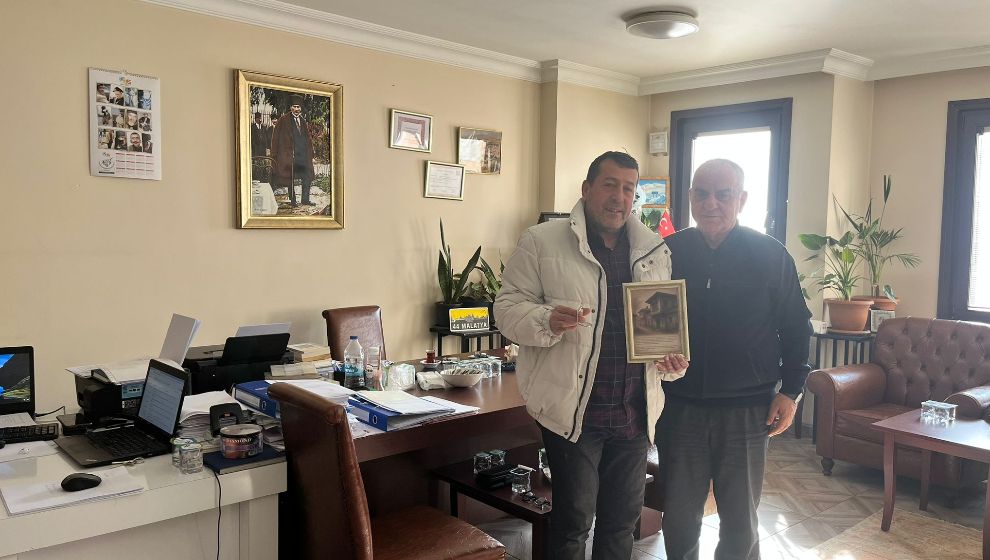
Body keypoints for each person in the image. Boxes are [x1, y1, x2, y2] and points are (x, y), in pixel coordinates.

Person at [495, 151, 688, 560]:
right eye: (609, 185)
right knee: (573, 524)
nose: (619, 197)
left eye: (628, 188)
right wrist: (547, 319)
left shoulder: (654, 249)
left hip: (635, 415)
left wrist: (669, 363)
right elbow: (507, 311)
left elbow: (660, 334)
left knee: (621, 523)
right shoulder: (541, 241)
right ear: (586, 189)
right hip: (574, 415)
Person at [659, 159, 812, 560]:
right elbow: (646, 321)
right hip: (679, 407)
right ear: (690, 197)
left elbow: (797, 327)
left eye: (723, 194)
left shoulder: (770, 254)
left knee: (741, 519)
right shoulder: (668, 252)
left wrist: (791, 391)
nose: (711, 203)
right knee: (678, 516)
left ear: (741, 199)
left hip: (748, 410)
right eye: (702, 193)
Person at [270, 95, 316, 207]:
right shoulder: (283, 120)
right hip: (289, 156)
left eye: (298, 107)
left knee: (307, 176)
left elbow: (308, 139)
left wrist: (311, 154)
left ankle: (305, 200)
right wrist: (274, 155)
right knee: (289, 178)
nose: (296, 109)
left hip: (302, 156)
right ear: (290, 107)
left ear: (301, 108)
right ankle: (293, 201)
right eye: (294, 106)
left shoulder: (302, 121)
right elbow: (275, 139)